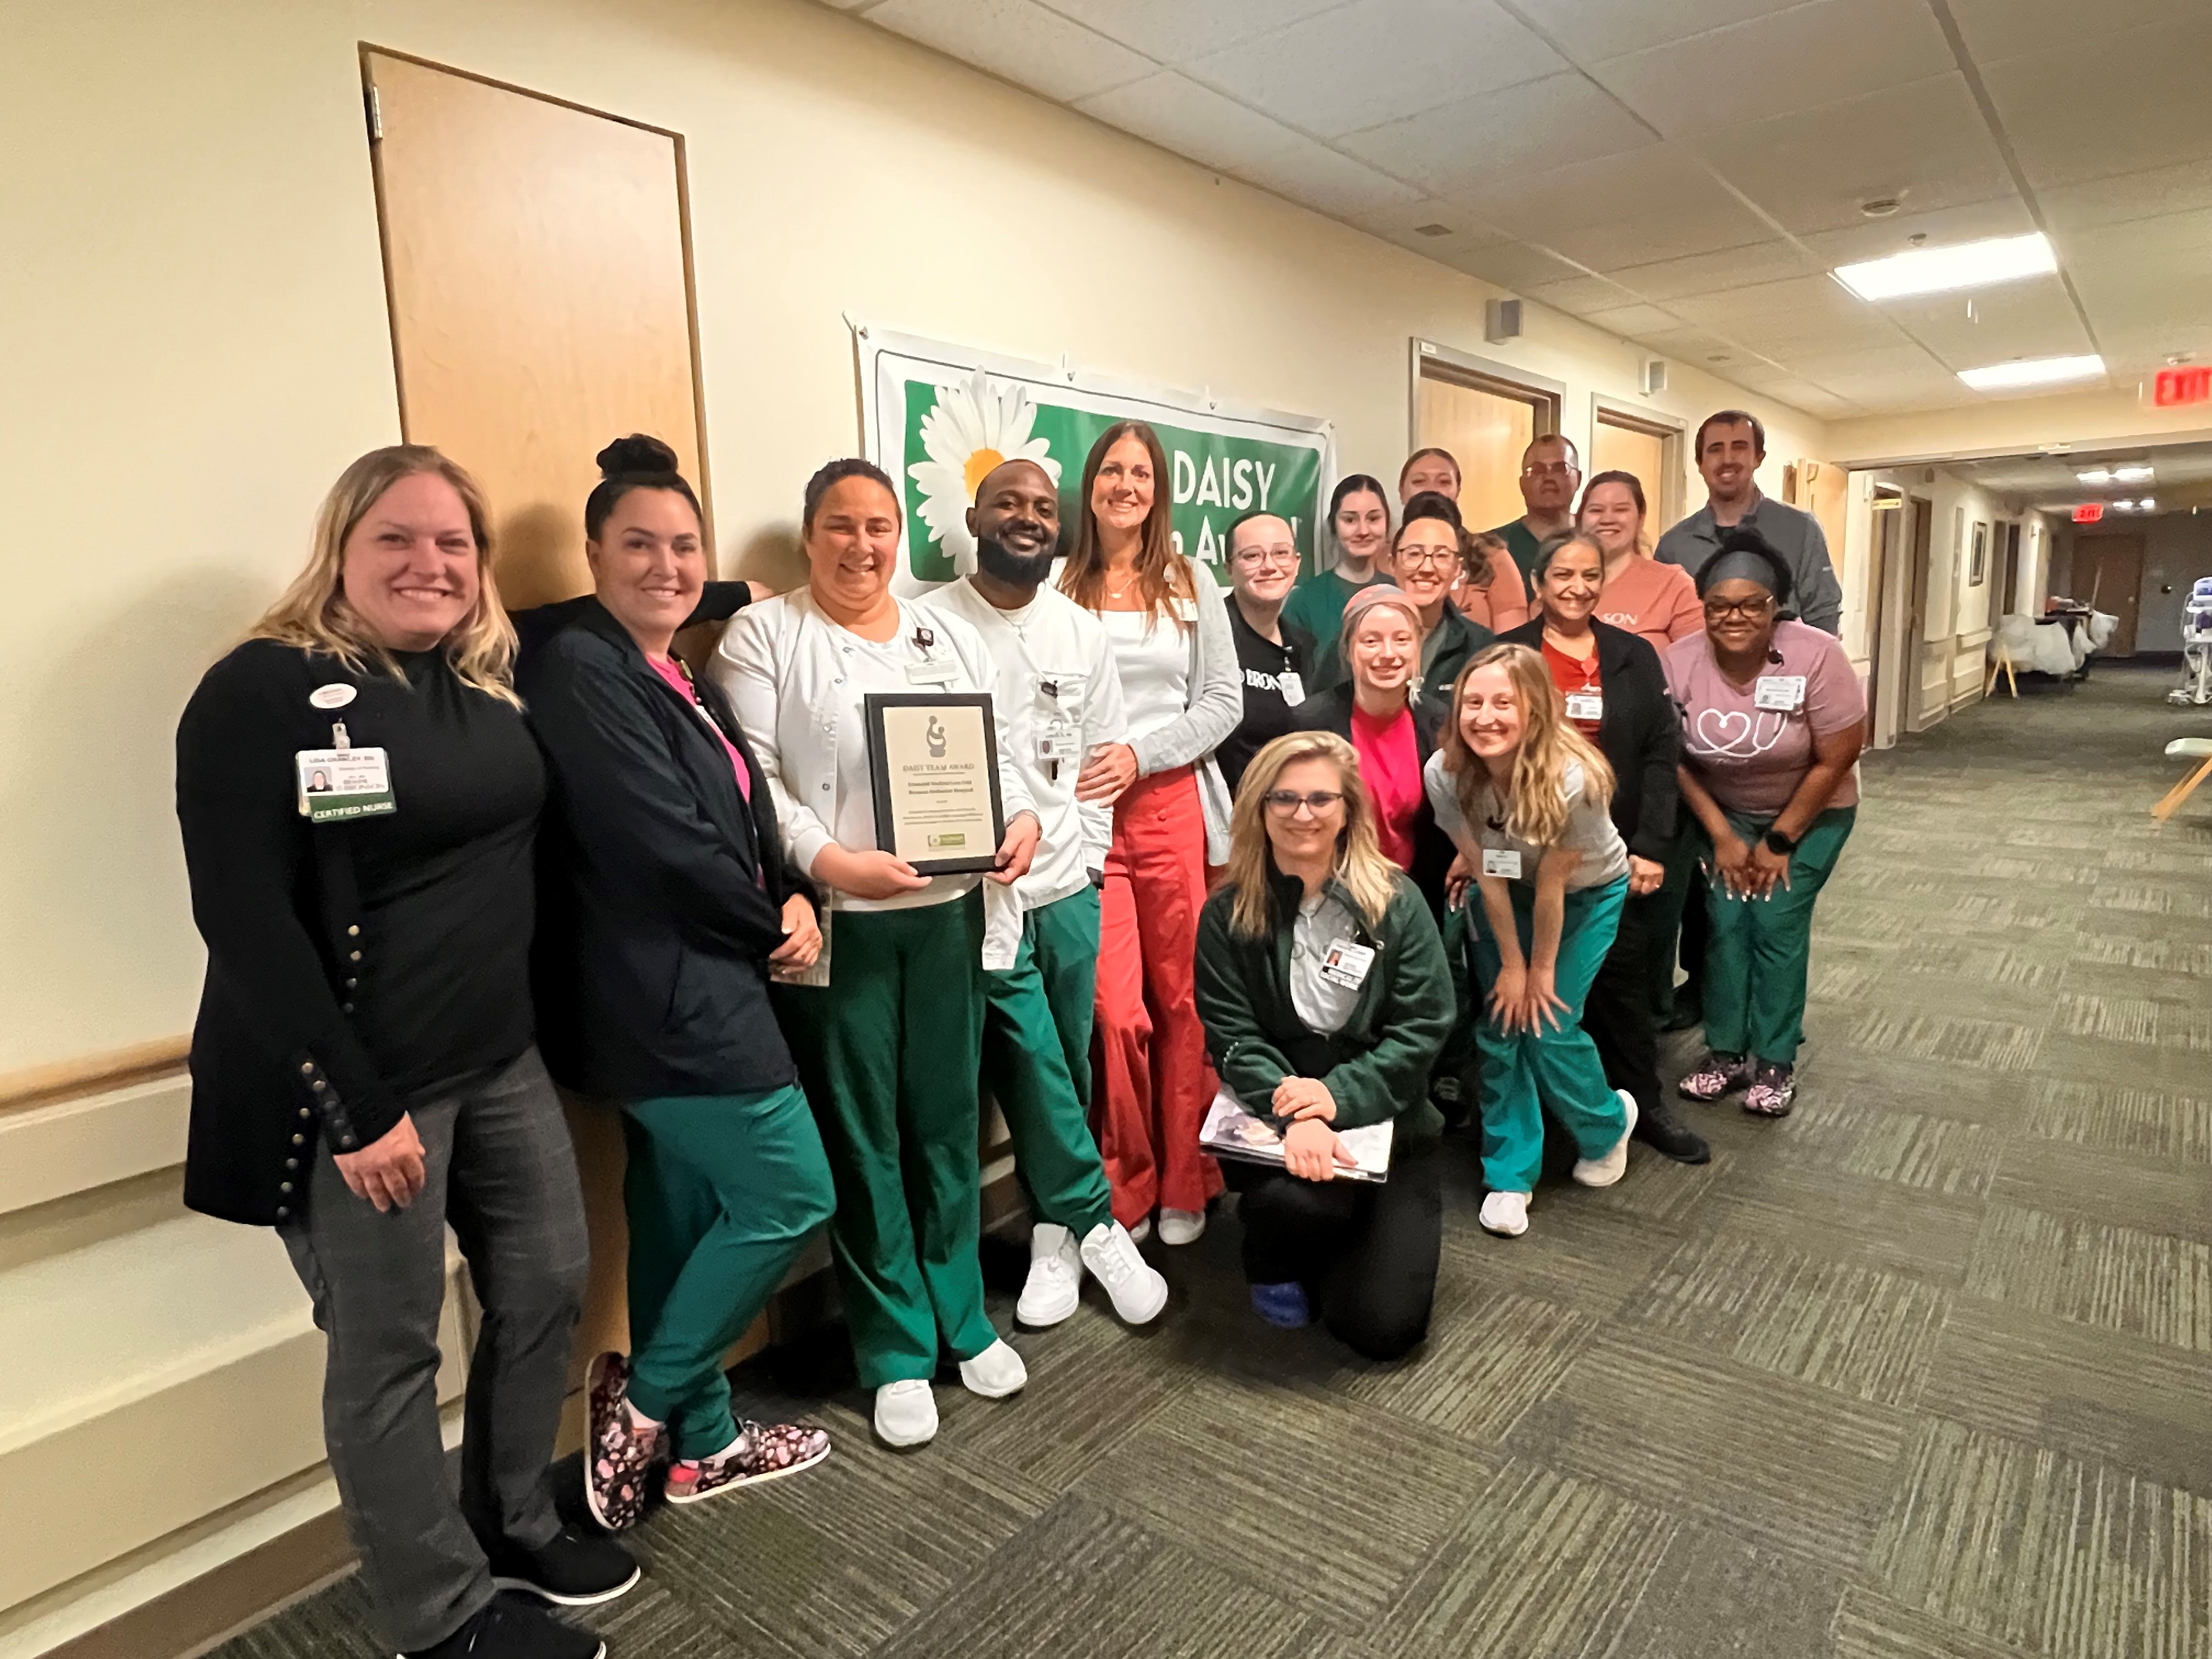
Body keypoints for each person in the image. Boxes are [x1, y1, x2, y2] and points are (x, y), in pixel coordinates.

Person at [174, 447, 631, 1659]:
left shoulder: (486, 684)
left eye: (454, 543)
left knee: (542, 1288)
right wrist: (354, 1107)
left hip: (498, 1061)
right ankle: (442, 1621)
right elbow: (243, 919)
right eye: (397, 538)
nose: (429, 563)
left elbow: (636, 604)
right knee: (387, 1354)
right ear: (340, 547)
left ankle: (513, 1520)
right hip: (360, 1092)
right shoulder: (263, 691)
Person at [517, 436, 834, 1530]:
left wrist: (798, 896)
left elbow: (740, 825)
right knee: (794, 1192)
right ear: (594, 556)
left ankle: (705, 1444)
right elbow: (656, 844)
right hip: (661, 997)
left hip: (708, 971)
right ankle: (644, 1408)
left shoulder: (675, 671)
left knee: (681, 1205)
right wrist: (769, 923)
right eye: (638, 544)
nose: (666, 564)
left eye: (684, 545)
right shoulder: (578, 672)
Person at [714, 459, 1041, 1449]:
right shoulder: (765, 634)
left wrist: (1020, 813)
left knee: (944, 1122)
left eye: (881, 525)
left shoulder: (942, 631)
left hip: (944, 911)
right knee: (864, 1137)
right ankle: (895, 1346)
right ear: (809, 535)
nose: (863, 545)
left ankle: (961, 1316)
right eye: (842, 525)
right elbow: (755, 781)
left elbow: (997, 750)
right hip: (841, 925)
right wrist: (832, 862)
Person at [921, 458, 1168, 1329]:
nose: (1026, 518)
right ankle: (1091, 1220)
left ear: (1058, 527)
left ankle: (1052, 1239)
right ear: (975, 516)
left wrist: (1094, 869)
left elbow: (1104, 761)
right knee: (1027, 1059)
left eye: (1040, 508)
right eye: (1008, 504)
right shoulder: (928, 627)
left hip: (1068, 881)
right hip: (975, 892)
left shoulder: (1079, 632)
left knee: (1064, 1062)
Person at [1193, 731, 1454, 1359]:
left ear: (1348, 810)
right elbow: (1232, 1034)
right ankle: (1272, 1256)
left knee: (1382, 1330)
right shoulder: (1228, 912)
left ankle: (1350, 1226)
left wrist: (1330, 1100)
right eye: (1283, 798)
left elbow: (1424, 1027)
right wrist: (1296, 1113)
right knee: (1292, 1202)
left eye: (1319, 798)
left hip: (1390, 1119)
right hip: (1279, 1117)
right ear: (1258, 807)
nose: (1302, 814)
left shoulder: (1397, 902)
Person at [1058, 421, 1242, 1245]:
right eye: (1112, 471)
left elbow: (1223, 703)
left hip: (1169, 805)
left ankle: (1184, 1178)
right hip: (1090, 819)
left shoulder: (1189, 579)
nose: (1126, 485)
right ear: (1090, 484)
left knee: (1182, 1002)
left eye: (1141, 473)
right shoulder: (1060, 584)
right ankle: (1124, 1180)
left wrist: (1141, 752)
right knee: (1116, 1013)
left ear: (1159, 490)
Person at [1497, 534, 1707, 1164]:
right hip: (1527, 856)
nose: (1577, 586)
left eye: (1590, 575)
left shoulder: (1634, 655)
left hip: (1616, 857)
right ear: (1539, 582)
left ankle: (1642, 1102)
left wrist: (1650, 848)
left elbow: (1661, 752)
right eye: (1563, 574)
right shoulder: (1508, 654)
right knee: (1535, 992)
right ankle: (1553, 1116)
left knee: (1625, 985)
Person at [1428, 645, 1639, 1239]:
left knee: (1547, 1023)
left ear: (1537, 711)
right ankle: (1510, 1174)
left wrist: (1535, 968)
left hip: (1584, 894)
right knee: (1501, 1025)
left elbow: (1554, 882)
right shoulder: (1445, 773)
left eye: (1504, 703)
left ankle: (1607, 1124)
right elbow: (1486, 868)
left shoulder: (1576, 778)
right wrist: (1509, 965)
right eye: (1473, 702)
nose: (1485, 717)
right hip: (1504, 891)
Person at [1666, 532, 1863, 1119]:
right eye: (1720, 605)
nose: (1735, 617)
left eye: (1752, 604)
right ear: (1703, 608)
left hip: (1813, 810)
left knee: (1774, 920)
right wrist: (1723, 837)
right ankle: (1725, 1054)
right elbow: (1671, 757)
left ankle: (1775, 1059)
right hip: (1721, 811)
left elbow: (1838, 756)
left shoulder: (1817, 655)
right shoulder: (1678, 660)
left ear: (1776, 607)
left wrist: (1780, 841)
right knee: (1726, 922)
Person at [1291, 586, 1454, 918]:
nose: (1388, 653)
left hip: (1416, 900)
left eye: (1402, 639)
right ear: (1348, 650)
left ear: (1418, 649)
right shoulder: (1310, 724)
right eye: (1371, 641)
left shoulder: (1441, 725)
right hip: (1330, 898)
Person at [1656, 410, 1842, 635]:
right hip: (1697, 669)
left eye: (1739, 447)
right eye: (1716, 449)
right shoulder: (1673, 546)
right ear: (1700, 463)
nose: (1727, 459)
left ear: (1758, 458)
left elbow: (1823, 617)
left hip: (1783, 668)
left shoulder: (1800, 530)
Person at [1216, 508, 1317, 796]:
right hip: (1230, 815)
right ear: (1229, 568)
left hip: (1291, 809)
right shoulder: (1210, 638)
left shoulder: (1305, 646)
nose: (1269, 566)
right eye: (1252, 556)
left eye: (1281, 553)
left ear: (1297, 564)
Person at [1398, 447, 1527, 632]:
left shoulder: (1492, 556)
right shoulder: (1386, 558)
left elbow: (1513, 645)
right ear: (1402, 491)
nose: (1433, 490)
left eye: (1444, 482)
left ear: (1457, 491)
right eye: (1420, 481)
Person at [1282, 473, 1395, 683]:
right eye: (1350, 520)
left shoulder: (1399, 594)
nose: (1363, 530)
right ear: (1333, 526)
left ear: (1387, 524)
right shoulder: (1305, 602)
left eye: (1373, 519)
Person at [1390, 490, 1495, 710]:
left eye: (1441, 556)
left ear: (1458, 569)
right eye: (1414, 554)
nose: (1427, 568)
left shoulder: (1480, 647)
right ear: (1392, 564)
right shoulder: (1360, 639)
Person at [1577, 471, 1702, 652]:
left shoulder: (1674, 585)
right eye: (1596, 510)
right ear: (1580, 519)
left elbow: (1697, 663)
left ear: (1641, 518)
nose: (1607, 519)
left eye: (1621, 510)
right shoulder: (1559, 584)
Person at [1485, 434, 1581, 590]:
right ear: (1522, 483)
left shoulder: (1595, 542)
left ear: (1578, 479)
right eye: (1537, 470)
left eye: (1560, 469)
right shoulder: (1491, 547)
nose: (1549, 478)